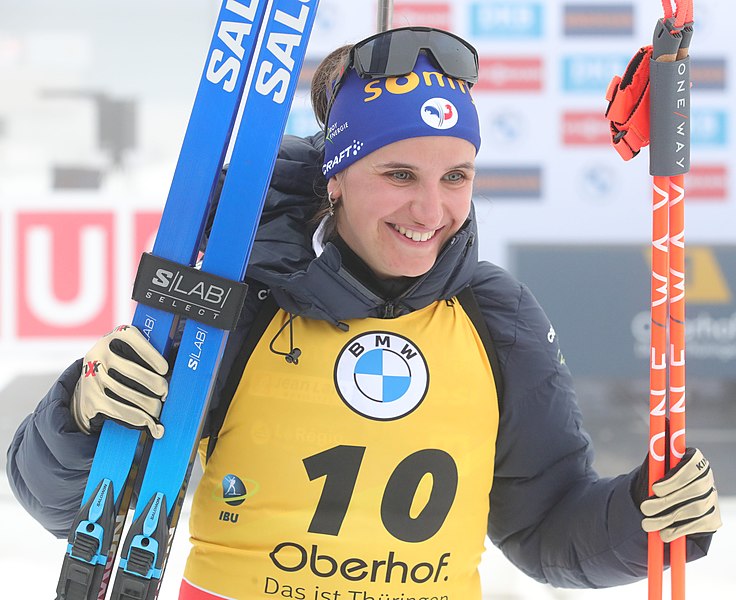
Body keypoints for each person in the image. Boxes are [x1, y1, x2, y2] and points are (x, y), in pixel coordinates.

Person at [7, 27, 721, 600]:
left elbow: (543, 528)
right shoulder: (244, 297)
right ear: (339, 174)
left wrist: (642, 524)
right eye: (398, 174)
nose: (431, 210)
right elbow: (76, 508)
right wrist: (83, 413)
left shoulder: (496, 318)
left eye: (456, 178)